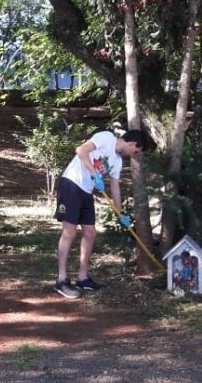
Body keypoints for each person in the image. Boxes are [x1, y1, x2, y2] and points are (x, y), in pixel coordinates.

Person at [53, 128, 149, 298]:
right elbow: (81, 150)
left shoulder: (118, 161)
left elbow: (115, 187)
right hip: (72, 184)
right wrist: (93, 172)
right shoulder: (106, 138)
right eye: (136, 151)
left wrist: (120, 214)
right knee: (70, 231)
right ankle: (61, 280)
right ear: (133, 143)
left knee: (90, 233)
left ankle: (82, 278)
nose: (134, 154)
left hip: (86, 191)